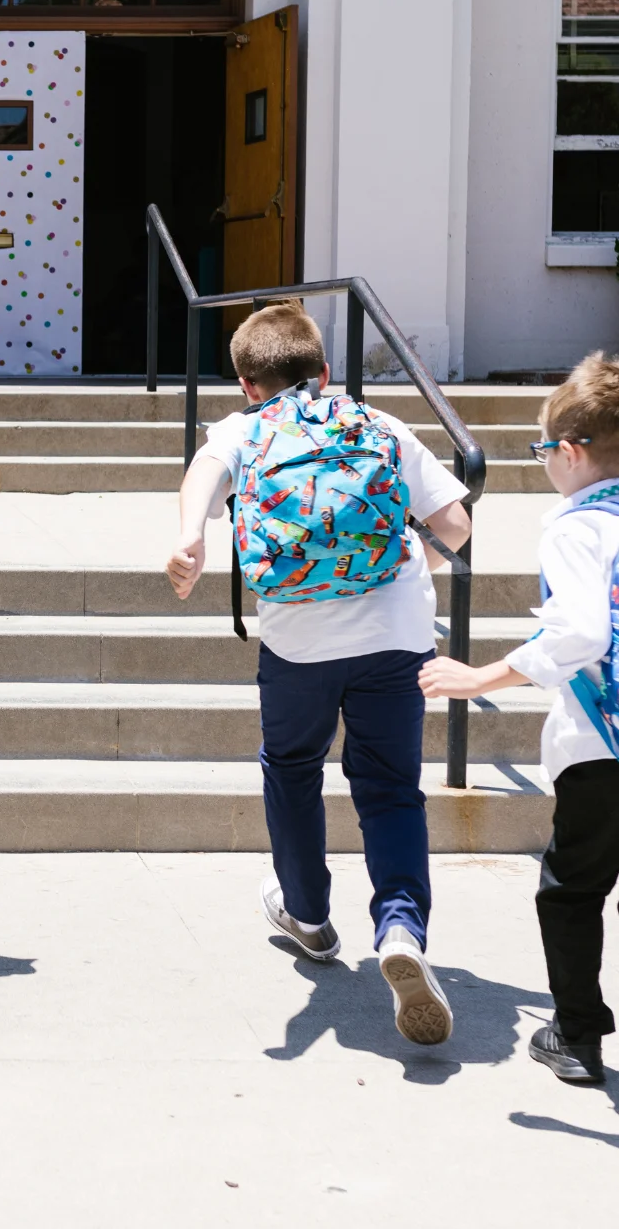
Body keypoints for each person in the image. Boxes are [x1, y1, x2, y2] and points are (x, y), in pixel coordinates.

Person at [165, 302, 472, 1044]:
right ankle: (399, 928)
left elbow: (201, 483)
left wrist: (188, 542)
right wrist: (407, 570)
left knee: (293, 768)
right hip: (396, 636)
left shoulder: (244, 429)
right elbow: (456, 524)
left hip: (298, 642)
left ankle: (307, 914)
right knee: (391, 788)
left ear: (246, 384)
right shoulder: (380, 425)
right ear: (325, 372)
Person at [422, 353, 619, 1085]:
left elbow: (580, 634)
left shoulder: (576, 527)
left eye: (544, 452)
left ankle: (575, 1034)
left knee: (572, 889)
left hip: (604, 742)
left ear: (570, 452)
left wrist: (481, 676)